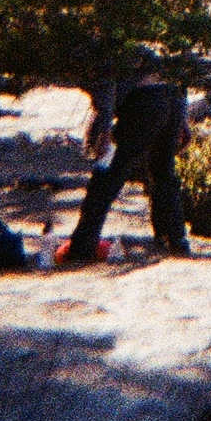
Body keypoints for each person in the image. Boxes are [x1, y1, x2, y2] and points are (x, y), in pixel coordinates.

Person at [60, 47, 192, 265]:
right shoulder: (140, 42)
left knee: (108, 177)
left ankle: (83, 247)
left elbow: (106, 98)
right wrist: (181, 117)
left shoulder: (100, 51)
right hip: (170, 97)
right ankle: (175, 239)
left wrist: (102, 133)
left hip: (146, 103)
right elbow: (176, 71)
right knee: (164, 173)